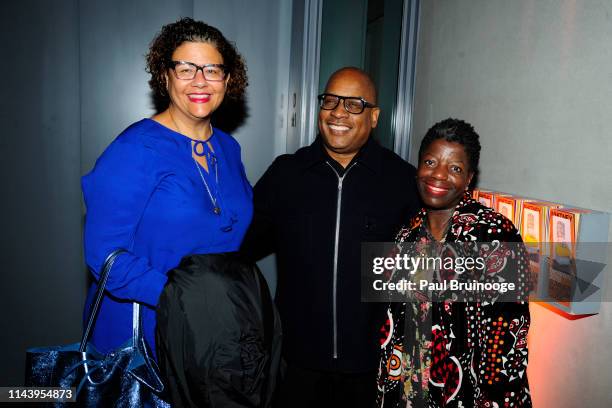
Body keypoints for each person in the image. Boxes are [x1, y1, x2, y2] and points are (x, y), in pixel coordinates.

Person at [82, 17, 280, 406]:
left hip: (216, 336)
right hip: (146, 334)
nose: (200, 81)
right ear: (165, 74)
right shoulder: (134, 149)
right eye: (185, 68)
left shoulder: (228, 148)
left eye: (212, 69)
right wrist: (185, 301)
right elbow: (105, 256)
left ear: (229, 79)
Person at [240, 67, 420, 407]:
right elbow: (240, 245)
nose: (338, 112)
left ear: (374, 116)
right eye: (331, 101)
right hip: (296, 364)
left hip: (371, 366)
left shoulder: (400, 181)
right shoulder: (287, 174)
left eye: (354, 104)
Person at [376, 118, 532, 407]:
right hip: (408, 391)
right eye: (431, 162)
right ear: (418, 167)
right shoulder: (406, 235)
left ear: (469, 178)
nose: (439, 175)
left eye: (455, 168)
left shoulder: (494, 234)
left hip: (467, 397)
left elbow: (509, 336)